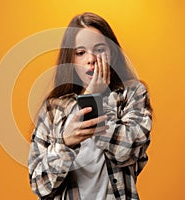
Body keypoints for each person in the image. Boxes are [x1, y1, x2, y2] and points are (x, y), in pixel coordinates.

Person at [28, 12, 152, 200]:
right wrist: (65, 144)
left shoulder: (132, 93)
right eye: (80, 52)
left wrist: (95, 99)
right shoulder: (53, 109)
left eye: (100, 49)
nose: (91, 59)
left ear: (112, 53)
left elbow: (126, 151)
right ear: (71, 59)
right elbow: (40, 186)